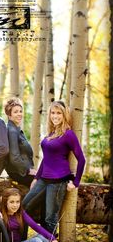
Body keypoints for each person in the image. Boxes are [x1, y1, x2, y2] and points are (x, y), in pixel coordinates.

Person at [22, 100, 86, 235]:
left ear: (64, 115)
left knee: (50, 217)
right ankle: (22, 238)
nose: (55, 116)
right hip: (43, 179)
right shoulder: (51, 133)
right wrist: (37, 177)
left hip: (58, 182)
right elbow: (46, 158)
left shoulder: (68, 134)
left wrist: (75, 183)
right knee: (24, 206)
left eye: (59, 113)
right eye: (53, 113)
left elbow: (81, 159)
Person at [4, 97, 36, 187]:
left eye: (20, 111)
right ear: (9, 115)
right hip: (19, 173)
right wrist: (28, 170)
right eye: (15, 112)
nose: (19, 114)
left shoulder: (16, 129)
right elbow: (14, 158)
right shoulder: (12, 131)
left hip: (22, 171)